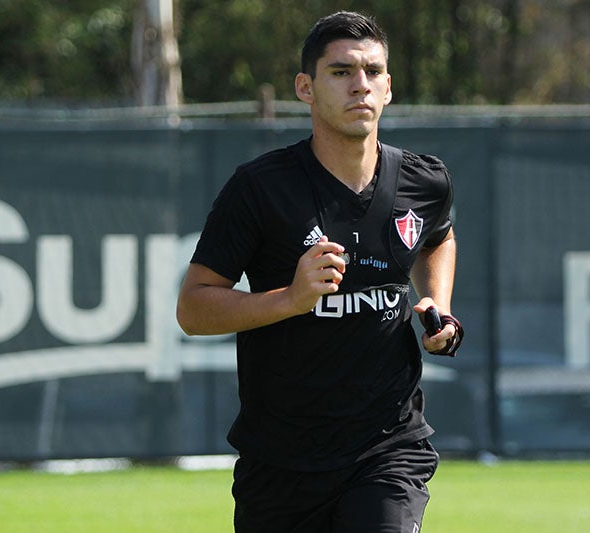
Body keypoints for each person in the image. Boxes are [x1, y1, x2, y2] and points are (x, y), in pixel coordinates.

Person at [177, 11, 462, 532]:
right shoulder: (259, 188)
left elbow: (438, 238)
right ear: (305, 88)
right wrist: (289, 298)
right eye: (341, 72)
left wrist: (437, 305)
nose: (361, 85)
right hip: (280, 463)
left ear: (390, 87)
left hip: (388, 451)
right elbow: (193, 308)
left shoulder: (426, 180)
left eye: (373, 72)